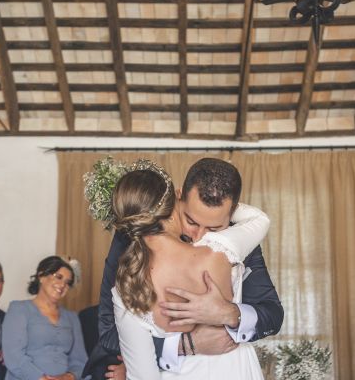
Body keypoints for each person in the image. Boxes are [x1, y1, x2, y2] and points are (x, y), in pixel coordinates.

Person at [84, 157, 280, 379]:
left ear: (231, 215)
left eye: (215, 227)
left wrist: (229, 313)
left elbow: (272, 315)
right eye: (192, 221)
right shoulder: (131, 239)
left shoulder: (239, 240)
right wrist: (185, 344)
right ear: (178, 198)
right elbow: (109, 332)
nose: (201, 236)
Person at [2, 256, 88, 380]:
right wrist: (41, 378)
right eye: (58, 277)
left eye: (68, 282)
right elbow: (13, 356)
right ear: (41, 276)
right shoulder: (19, 309)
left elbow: (80, 360)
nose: (63, 285)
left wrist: (69, 377)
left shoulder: (72, 317)